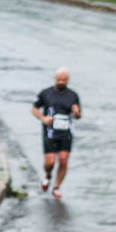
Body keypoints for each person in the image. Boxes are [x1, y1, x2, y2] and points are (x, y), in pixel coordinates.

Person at [31, 67, 82, 200]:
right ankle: (48, 175)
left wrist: (77, 113)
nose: (61, 82)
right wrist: (43, 118)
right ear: (55, 79)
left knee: (64, 160)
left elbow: (78, 115)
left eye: (64, 80)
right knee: (50, 162)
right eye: (59, 79)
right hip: (50, 132)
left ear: (68, 80)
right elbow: (34, 108)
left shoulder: (73, 95)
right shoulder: (46, 93)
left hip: (66, 132)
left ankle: (56, 187)